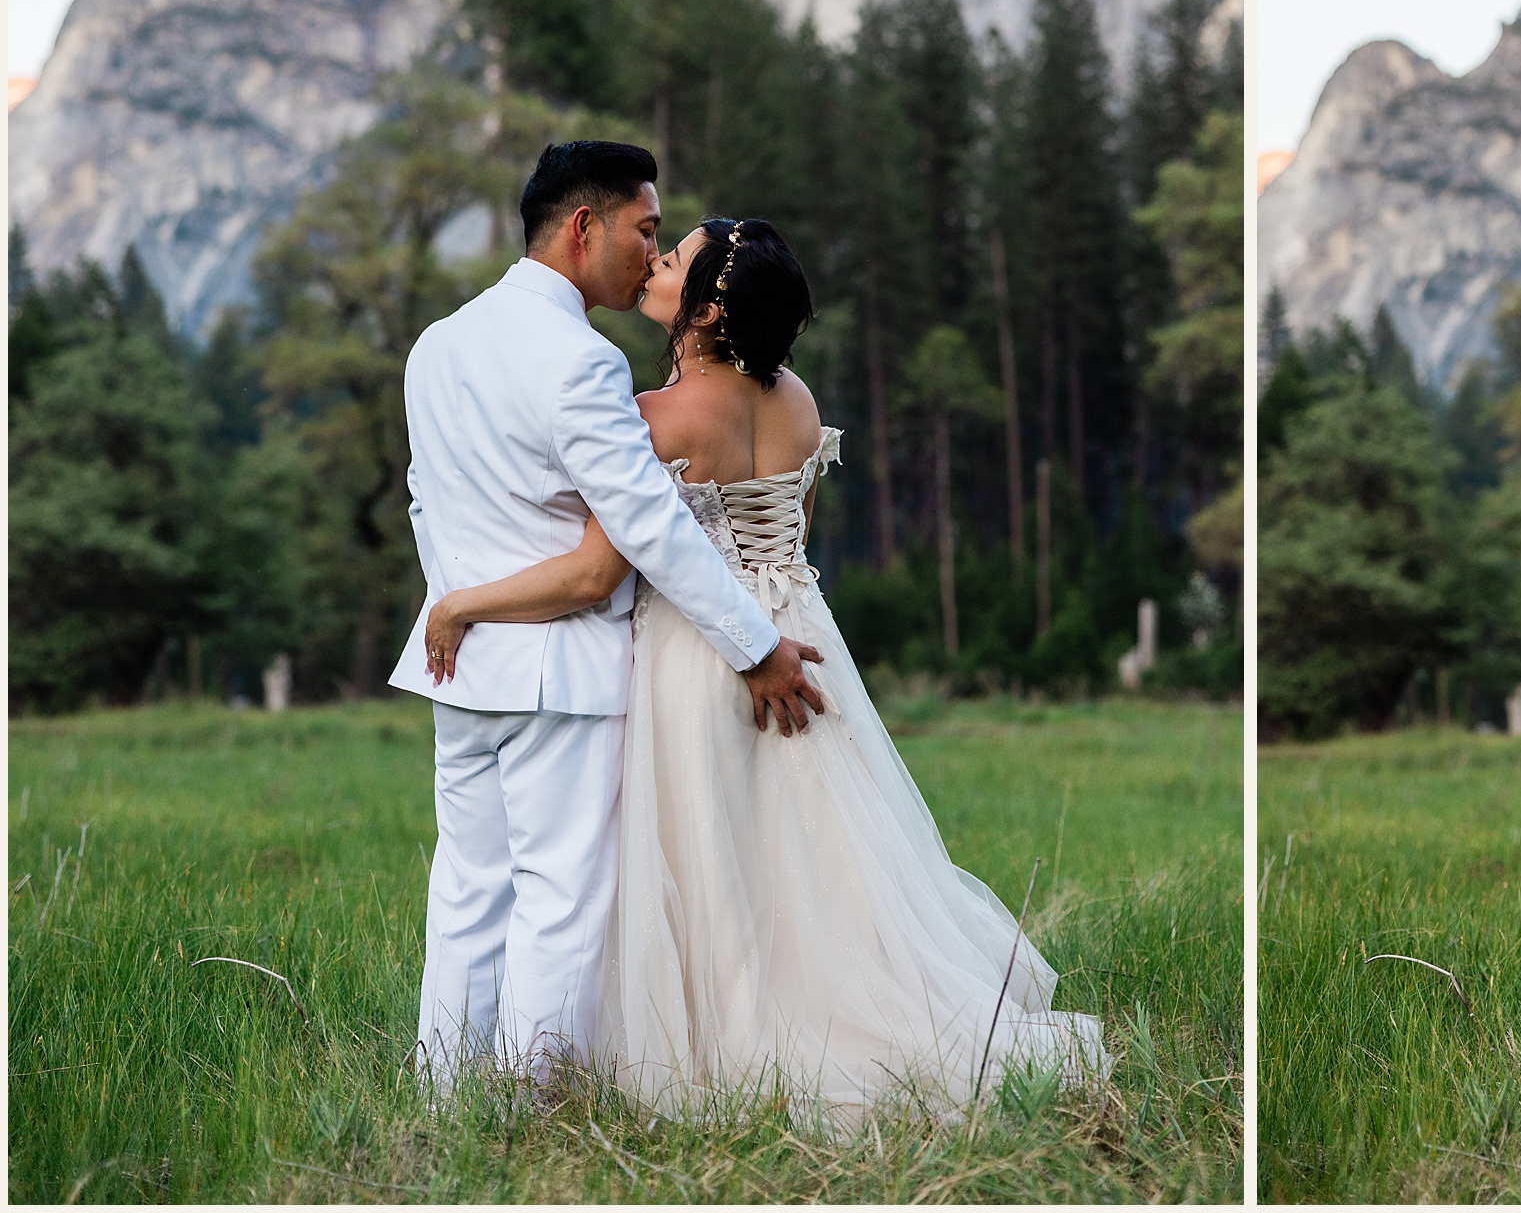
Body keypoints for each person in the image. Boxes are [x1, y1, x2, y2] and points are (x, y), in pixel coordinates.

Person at [422, 212, 1103, 1118]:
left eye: (675, 261)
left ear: (706, 313)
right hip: (798, 634)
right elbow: (790, 540)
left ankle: (709, 1044)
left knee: (706, 855)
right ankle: (840, 1005)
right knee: (812, 853)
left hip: (695, 652)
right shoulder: (799, 402)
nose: (656, 264)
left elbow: (596, 570)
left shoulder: (655, 417)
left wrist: (465, 599)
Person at [387, 141, 824, 1092]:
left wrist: (456, 603)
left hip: (459, 664)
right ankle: (528, 1103)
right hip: (563, 674)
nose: (650, 251)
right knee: (560, 900)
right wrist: (756, 647)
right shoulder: (582, 361)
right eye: (646, 230)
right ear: (585, 227)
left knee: (466, 891)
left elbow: (426, 501)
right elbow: (652, 531)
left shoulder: (438, 344)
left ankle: (444, 1096)